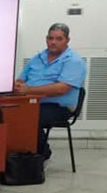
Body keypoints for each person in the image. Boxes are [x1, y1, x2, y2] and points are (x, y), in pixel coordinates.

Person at [14, 23, 86, 159]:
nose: (53, 42)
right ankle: (16, 155)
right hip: (31, 102)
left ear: (67, 40)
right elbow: (20, 81)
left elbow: (62, 88)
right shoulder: (37, 58)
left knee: (29, 118)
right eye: (50, 38)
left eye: (59, 39)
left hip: (59, 107)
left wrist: (28, 90)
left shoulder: (74, 61)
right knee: (8, 114)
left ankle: (42, 155)